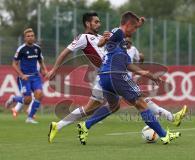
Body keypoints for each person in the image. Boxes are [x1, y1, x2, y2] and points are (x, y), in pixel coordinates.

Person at [47, 12, 187, 144]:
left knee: (108, 106)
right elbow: (67, 52)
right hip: (111, 74)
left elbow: (121, 36)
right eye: (96, 22)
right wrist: (55, 68)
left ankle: (63, 126)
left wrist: (137, 25)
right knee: (140, 100)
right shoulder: (83, 38)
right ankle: (171, 120)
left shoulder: (110, 37)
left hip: (106, 74)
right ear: (87, 23)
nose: (99, 24)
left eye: (99, 21)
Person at [5, 28, 48, 124]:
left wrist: (44, 70)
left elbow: (41, 61)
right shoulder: (21, 49)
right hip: (25, 78)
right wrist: (21, 75)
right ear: (25, 38)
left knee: (39, 94)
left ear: (34, 37)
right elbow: (14, 64)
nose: (30, 37)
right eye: (28, 36)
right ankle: (13, 98)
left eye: (32, 36)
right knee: (27, 100)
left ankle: (30, 118)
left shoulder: (37, 48)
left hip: (36, 76)